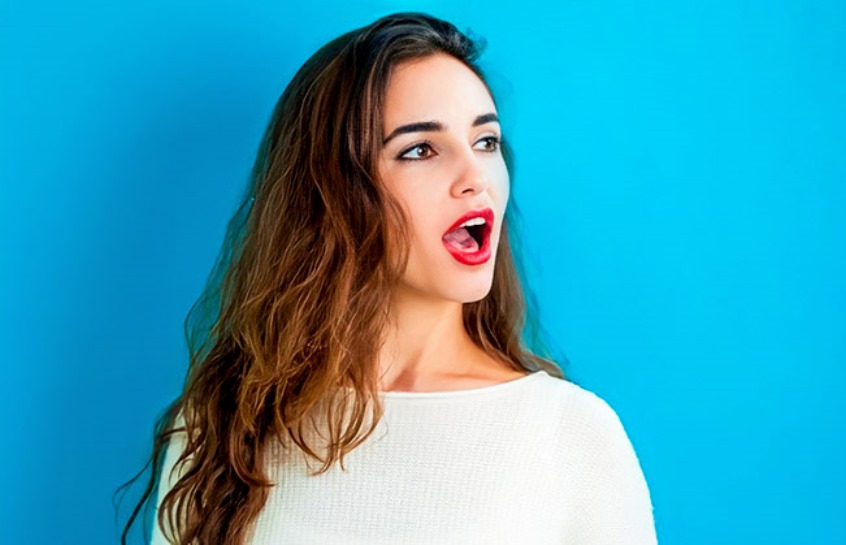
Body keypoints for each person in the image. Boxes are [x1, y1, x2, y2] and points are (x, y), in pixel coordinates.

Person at [118, 12, 657, 545]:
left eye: (486, 142)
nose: (475, 178)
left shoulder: (572, 436)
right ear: (332, 196)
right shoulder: (221, 427)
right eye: (420, 149)